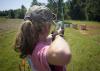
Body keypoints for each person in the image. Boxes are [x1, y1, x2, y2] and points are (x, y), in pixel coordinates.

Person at [14, 5, 71, 71]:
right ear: (46, 27)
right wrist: (58, 37)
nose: (51, 26)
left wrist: (55, 34)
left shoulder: (32, 43)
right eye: (50, 24)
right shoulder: (38, 50)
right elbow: (63, 55)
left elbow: (47, 38)